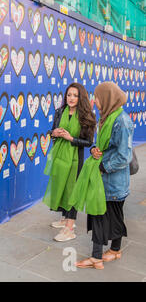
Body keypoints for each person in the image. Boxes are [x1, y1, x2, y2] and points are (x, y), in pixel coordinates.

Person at [72, 81, 133, 270]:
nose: (95, 101)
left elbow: (124, 155)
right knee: (113, 217)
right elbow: (104, 147)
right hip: (108, 180)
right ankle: (115, 250)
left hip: (112, 181)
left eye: (97, 98)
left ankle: (96, 257)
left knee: (99, 215)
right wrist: (94, 152)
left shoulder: (121, 121)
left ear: (107, 98)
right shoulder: (107, 117)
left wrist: (102, 167)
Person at [43, 83, 97, 242]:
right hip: (59, 157)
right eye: (69, 95)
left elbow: (88, 142)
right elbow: (51, 132)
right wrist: (54, 133)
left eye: (75, 95)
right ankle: (65, 218)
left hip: (75, 159)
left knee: (72, 190)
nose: (71, 98)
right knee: (60, 186)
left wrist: (70, 138)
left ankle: (69, 229)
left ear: (81, 98)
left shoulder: (86, 115)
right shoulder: (60, 111)